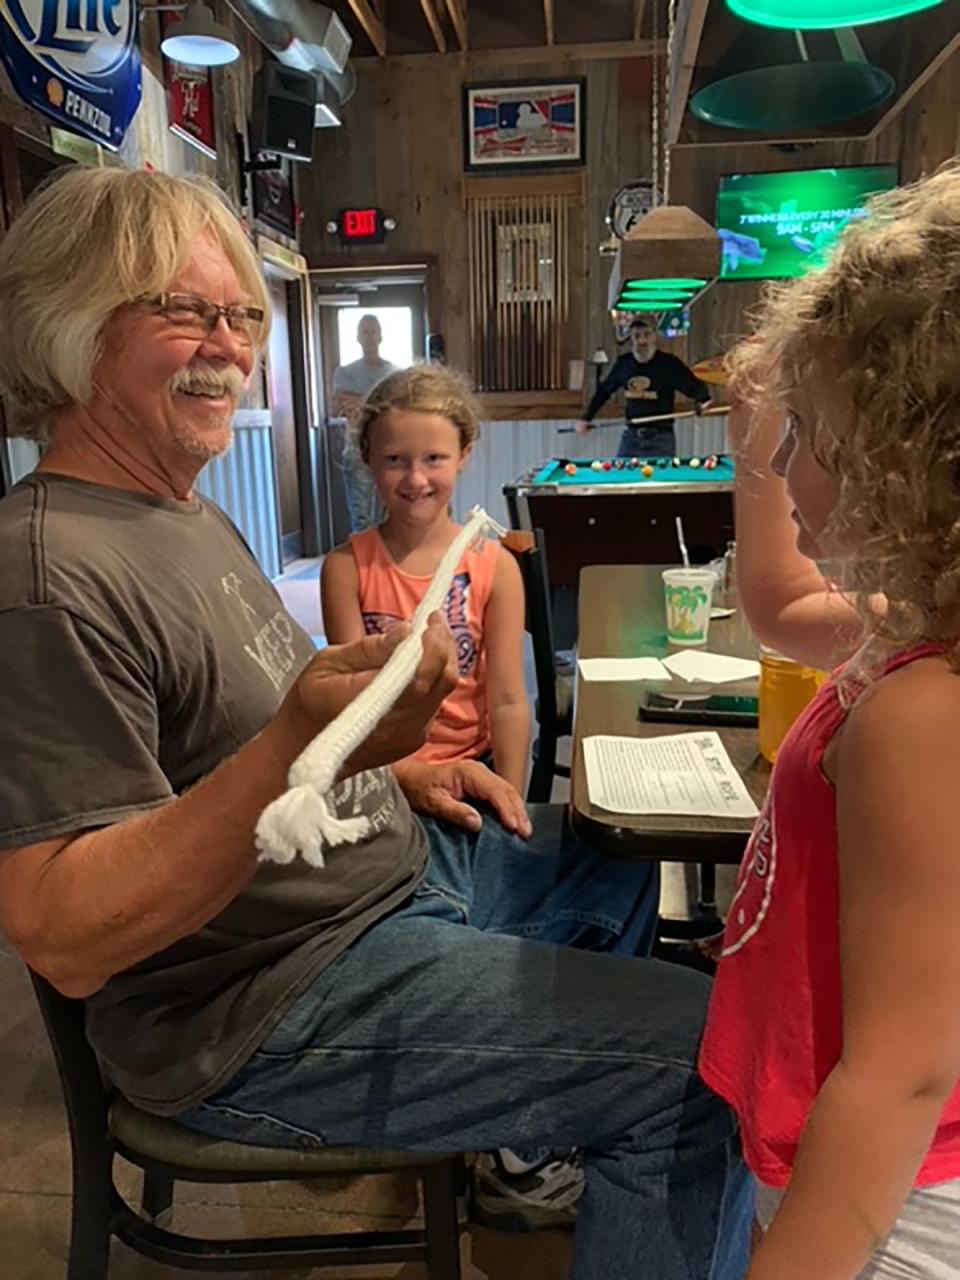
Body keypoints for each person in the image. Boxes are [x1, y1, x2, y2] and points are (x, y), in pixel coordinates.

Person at [0, 167, 752, 1276]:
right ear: (69, 325)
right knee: (701, 1064)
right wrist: (286, 756)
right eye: (184, 311)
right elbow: (63, 931)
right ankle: (583, 1127)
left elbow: (238, 735)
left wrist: (395, 775)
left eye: (241, 314)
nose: (231, 346)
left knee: (614, 856)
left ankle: (530, 1145)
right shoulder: (47, 572)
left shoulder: (176, 509)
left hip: (390, 871)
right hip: (264, 1005)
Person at [699, 162, 960, 1280]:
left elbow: (900, 1072)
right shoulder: (920, 636)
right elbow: (783, 600)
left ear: (910, 447)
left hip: (887, 1209)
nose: (777, 456)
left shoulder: (922, 705)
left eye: (803, 423)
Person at [321, 365, 530, 795]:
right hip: (384, 777)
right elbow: (352, 704)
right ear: (368, 459)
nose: (416, 479)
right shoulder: (345, 569)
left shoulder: (496, 567)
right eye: (395, 460)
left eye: (434, 459)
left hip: (475, 769)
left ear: (464, 454)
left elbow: (508, 701)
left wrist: (511, 799)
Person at [576, 315, 712, 458]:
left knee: (662, 480)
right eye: (636, 336)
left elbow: (695, 387)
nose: (641, 340)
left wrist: (703, 400)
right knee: (622, 478)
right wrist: (586, 418)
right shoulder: (624, 364)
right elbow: (603, 391)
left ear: (654, 336)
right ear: (631, 339)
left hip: (661, 439)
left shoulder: (669, 365)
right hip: (631, 438)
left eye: (646, 335)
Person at [331, 314, 395, 532]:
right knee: (362, 517)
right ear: (358, 337)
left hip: (390, 452)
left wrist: (361, 400)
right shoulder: (345, 373)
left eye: (373, 331)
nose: (369, 336)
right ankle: (365, 564)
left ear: (381, 336)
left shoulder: (393, 373)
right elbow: (344, 405)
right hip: (357, 452)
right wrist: (380, 401)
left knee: (390, 515)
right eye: (364, 331)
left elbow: (398, 407)